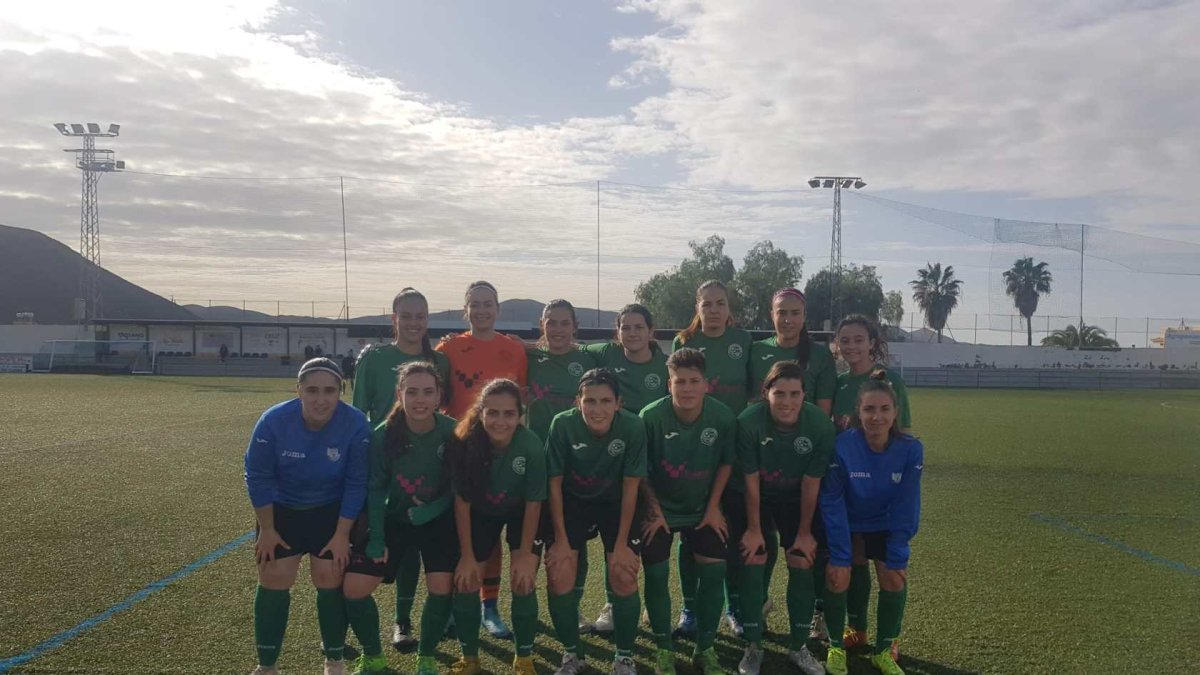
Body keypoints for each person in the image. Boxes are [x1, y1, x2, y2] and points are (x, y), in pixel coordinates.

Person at [244, 358, 370, 675]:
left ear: (340, 392)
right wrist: (268, 529)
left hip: (330, 511)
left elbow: (357, 483)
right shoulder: (273, 421)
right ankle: (267, 666)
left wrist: (342, 535)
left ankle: (334, 660)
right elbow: (258, 476)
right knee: (273, 577)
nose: (320, 399)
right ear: (298, 390)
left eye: (329, 390)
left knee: (329, 578)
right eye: (312, 390)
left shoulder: (355, 424)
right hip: (282, 512)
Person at [340, 361, 459, 675]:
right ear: (399, 394)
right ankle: (374, 656)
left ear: (438, 396)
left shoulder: (453, 431)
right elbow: (376, 489)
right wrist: (377, 538)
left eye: (428, 392)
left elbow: (460, 487)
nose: (420, 399)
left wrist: (431, 509)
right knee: (354, 587)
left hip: (439, 521)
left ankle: (427, 656)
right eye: (412, 391)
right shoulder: (384, 434)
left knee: (441, 587)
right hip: (395, 520)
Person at [351, 288, 451, 650]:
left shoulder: (439, 362)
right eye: (406, 315)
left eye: (420, 316)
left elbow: (443, 417)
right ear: (394, 319)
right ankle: (376, 623)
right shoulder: (374, 358)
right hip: (382, 466)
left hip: (425, 469)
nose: (413, 322)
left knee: (422, 545)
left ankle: (412, 619)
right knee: (382, 549)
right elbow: (357, 413)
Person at [729, 362, 835, 675]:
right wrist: (753, 529)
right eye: (779, 393)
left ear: (805, 395)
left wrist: (803, 532)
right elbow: (750, 480)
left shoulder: (819, 425)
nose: (787, 401)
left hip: (795, 499)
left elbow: (811, 483)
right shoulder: (748, 422)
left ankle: (798, 646)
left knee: (801, 557)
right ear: (766, 394)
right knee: (753, 555)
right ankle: (753, 645)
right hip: (755, 496)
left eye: (794, 394)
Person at [437, 280, 529, 638]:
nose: (482, 310)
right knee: (452, 531)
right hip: (461, 449)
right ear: (466, 309)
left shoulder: (513, 349)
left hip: (501, 451)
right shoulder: (448, 348)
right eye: (475, 304)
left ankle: (489, 608)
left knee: (489, 535)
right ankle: (448, 608)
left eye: (488, 303)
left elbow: (522, 401)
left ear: (498, 309)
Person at [747, 288, 838, 639]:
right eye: (781, 312)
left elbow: (823, 410)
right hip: (763, 457)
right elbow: (750, 403)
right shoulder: (756, 351)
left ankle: (817, 611)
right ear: (771, 314)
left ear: (804, 316)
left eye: (795, 312)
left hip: (805, 460)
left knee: (810, 544)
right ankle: (752, 608)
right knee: (757, 544)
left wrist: (806, 446)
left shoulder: (819, 355)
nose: (787, 319)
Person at [543, 369, 647, 675]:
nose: (597, 409)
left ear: (618, 403)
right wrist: (560, 541)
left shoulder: (632, 426)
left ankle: (624, 657)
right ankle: (573, 654)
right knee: (560, 573)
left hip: (617, 504)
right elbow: (554, 485)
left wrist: (621, 546)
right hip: (573, 502)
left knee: (623, 572)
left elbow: (631, 488)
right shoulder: (562, 424)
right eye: (590, 401)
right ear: (578, 402)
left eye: (605, 401)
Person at [638, 348, 734, 675]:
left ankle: (704, 649)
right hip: (659, 509)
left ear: (707, 384)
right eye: (681, 381)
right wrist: (654, 510)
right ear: (669, 384)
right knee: (655, 573)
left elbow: (725, 463)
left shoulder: (721, 417)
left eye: (695, 381)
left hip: (702, 508)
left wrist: (713, 509)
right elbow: (641, 470)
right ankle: (664, 649)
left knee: (714, 571)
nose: (688, 388)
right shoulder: (650, 417)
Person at [820, 371, 923, 675]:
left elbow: (907, 504)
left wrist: (898, 549)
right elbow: (832, 502)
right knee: (839, 575)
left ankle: (885, 649)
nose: (876, 417)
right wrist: (839, 553)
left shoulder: (911, 449)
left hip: (887, 522)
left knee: (893, 576)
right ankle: (840, 642)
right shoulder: (843, 446)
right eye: (869, 409)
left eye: (884, 409)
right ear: (858, 412)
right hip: (850, 522)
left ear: (895, 413)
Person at [446, 379, 548, 675]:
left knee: (523, 580)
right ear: (480, 413)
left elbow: (533, 504)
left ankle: (524, 659)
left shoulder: (530, 445)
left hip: (520, 514)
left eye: (509, 414)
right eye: (493, 413)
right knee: (466, 581)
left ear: (520, 415)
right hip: (479, 513)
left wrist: (527, 554)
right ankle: (471, 660)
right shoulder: (465, 442)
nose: (500, 421)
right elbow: (462, 503)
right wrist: (466, 555)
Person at [671, 280, 753, 637]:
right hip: (693, 453)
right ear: (698, 307)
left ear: (729, 307)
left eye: (721, 303)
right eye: (708, 304)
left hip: (731, 450)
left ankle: (732, 604)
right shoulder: (684, 343)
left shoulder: (743, 341)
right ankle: (689, 609)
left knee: (729, 532)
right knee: (690, 535)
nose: (715, 310)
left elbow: (754, 392)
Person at [581, 303, 668, 632]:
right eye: (625, 327)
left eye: (638, 327)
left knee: (654, 534)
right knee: (617, 534)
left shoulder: (665, 365)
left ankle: (655, 604)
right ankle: (613, 602)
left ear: (650, 331)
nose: (632, 333)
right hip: (617, 461)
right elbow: (565, 346)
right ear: (617, 333)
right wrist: (525, 345)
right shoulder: (607, 354)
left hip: (656, 460)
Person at [527, 299, 597, 441]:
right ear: (542, 325)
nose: (558, 329)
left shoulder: (589, 359)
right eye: (551, 323)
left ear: (575, 326)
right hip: (538, 443)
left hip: (576, 444)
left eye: (565, 323)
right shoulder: (528, 357)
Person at [831, 315, 911, 434]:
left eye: (859, 340)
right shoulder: (839, 382)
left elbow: (904, 430)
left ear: (871, 343)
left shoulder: (891, 380)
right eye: (845, 341)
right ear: (838, 345)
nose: (851, 346)